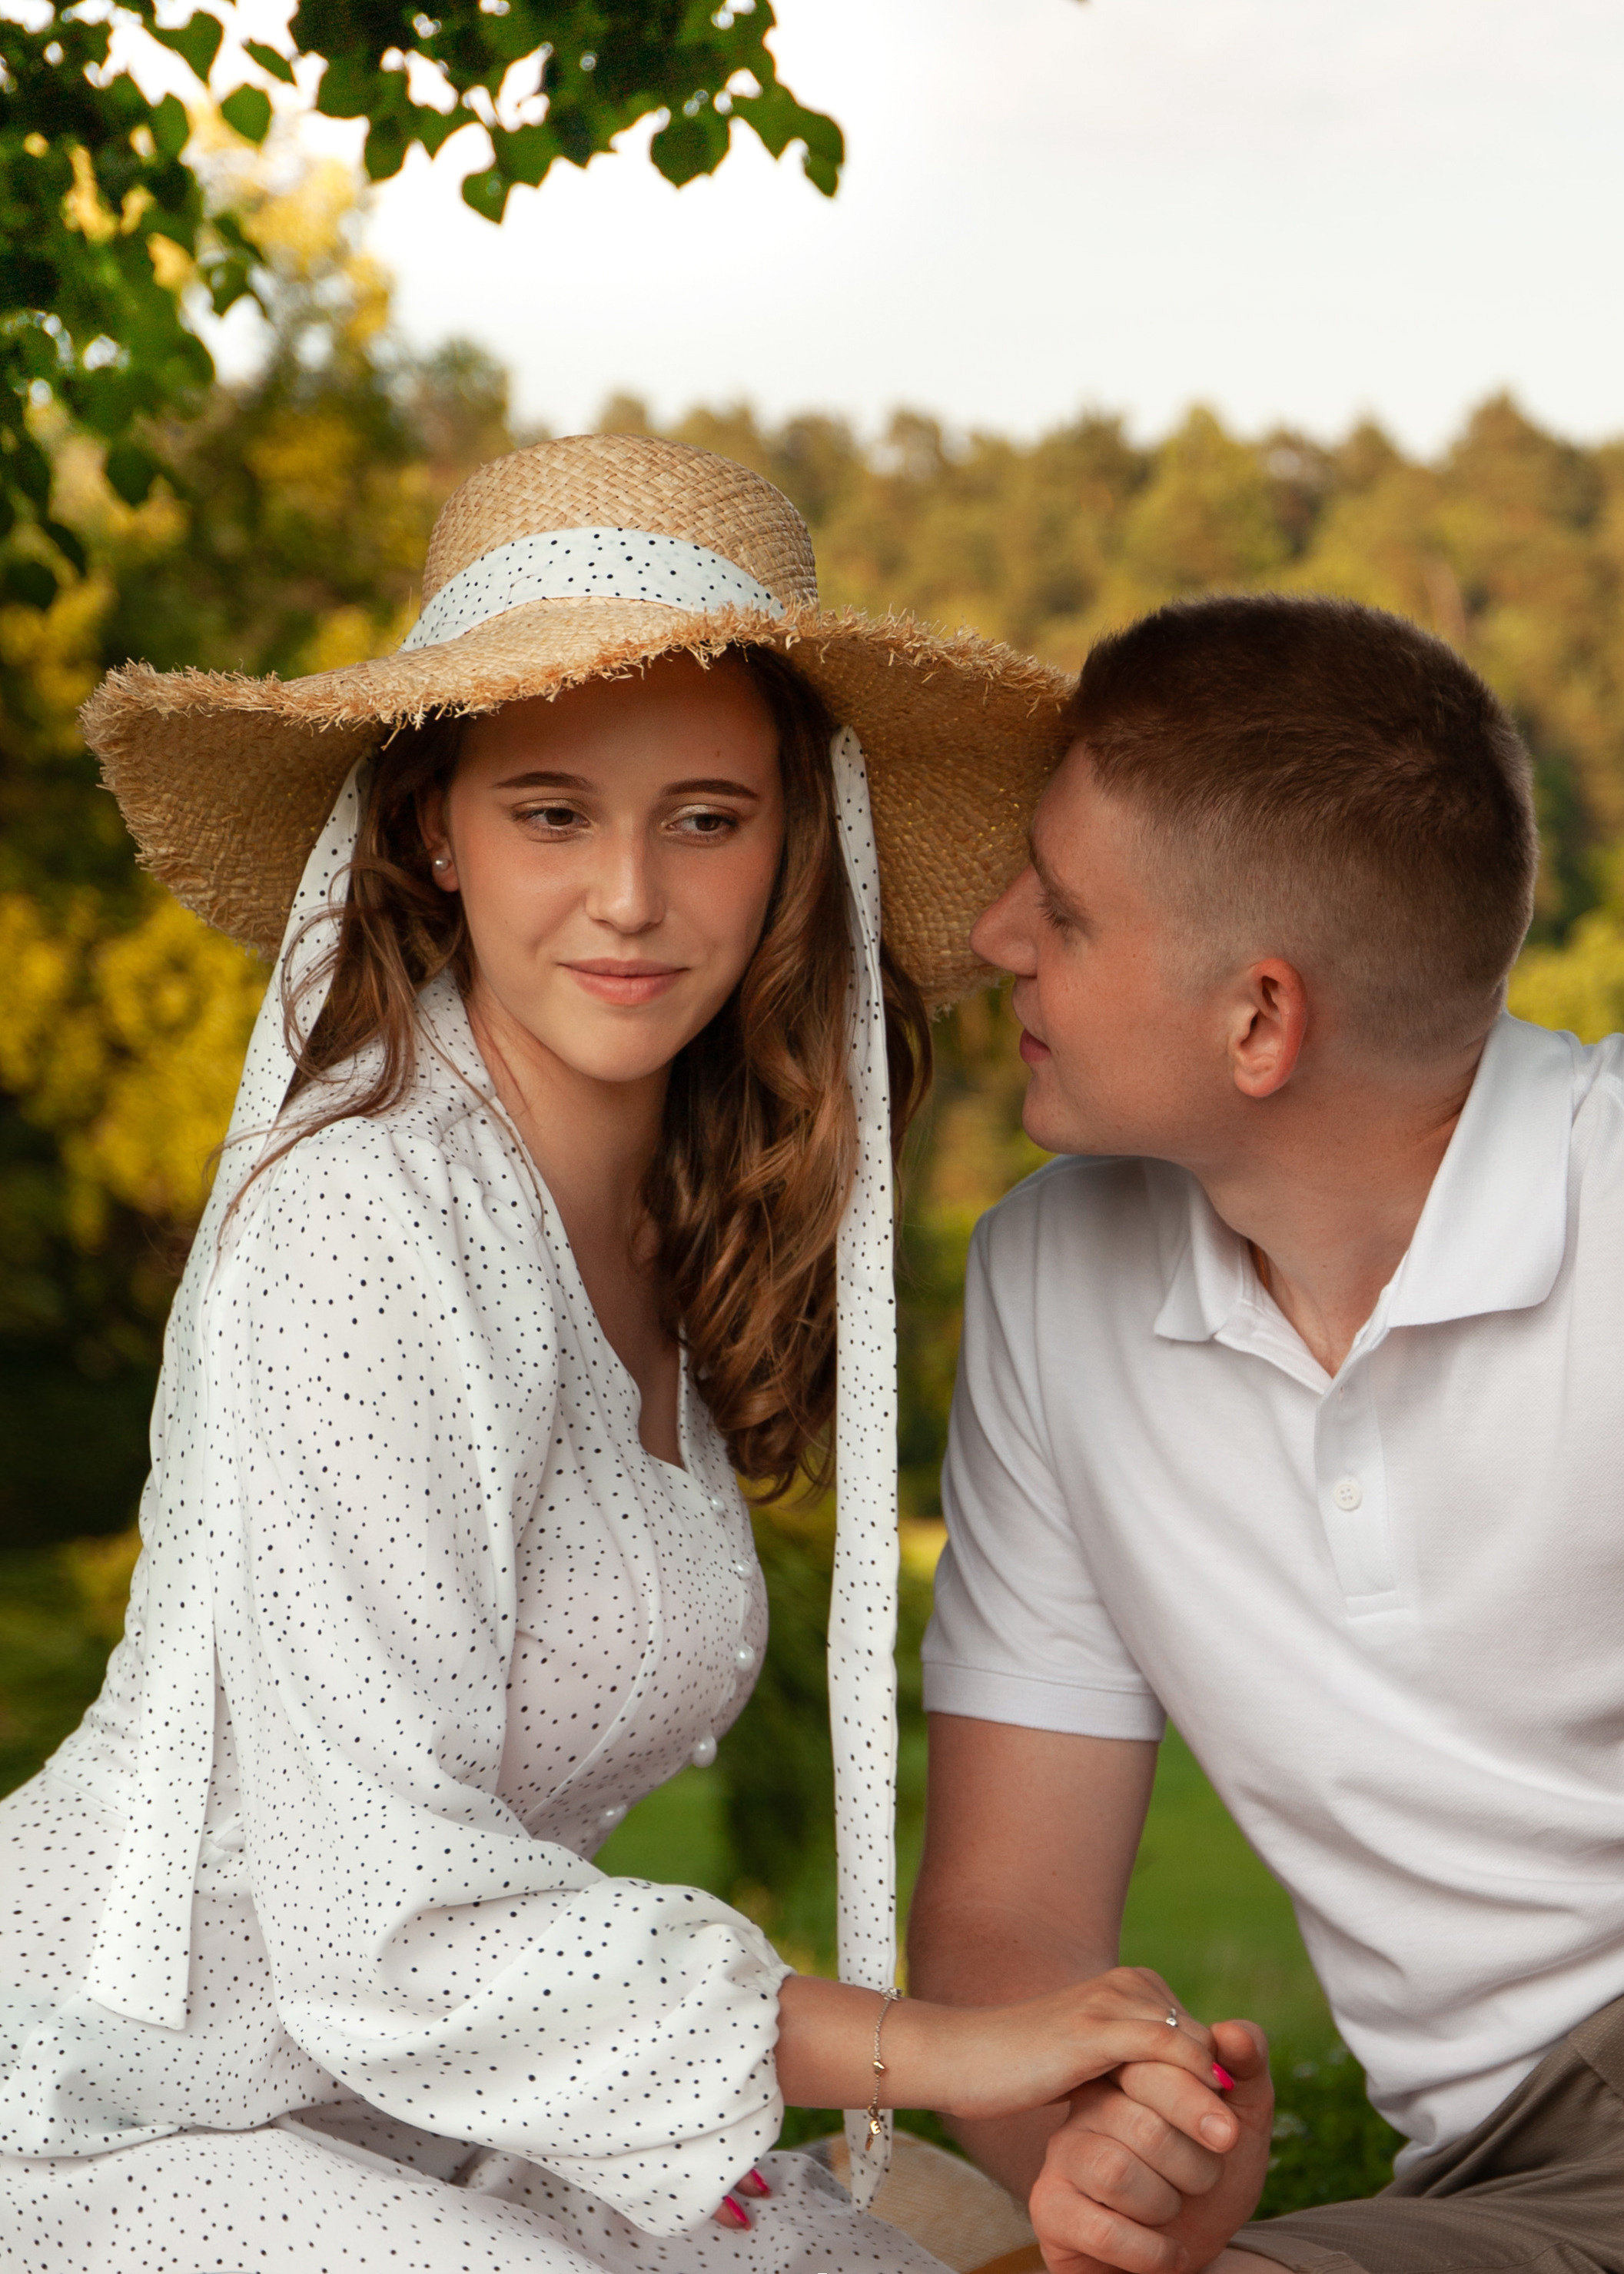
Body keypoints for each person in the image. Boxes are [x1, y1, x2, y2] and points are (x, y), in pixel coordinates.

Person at [0, 435, 1236, 2274]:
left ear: (794, 834)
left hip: (457, 2100)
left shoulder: (692, 1216)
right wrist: (927, 2042)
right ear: (436, 823)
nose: (635, 900)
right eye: (554, 811)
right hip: (116, 2097)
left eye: (707, 817)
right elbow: (392, 1914)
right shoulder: (367, 1221)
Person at [910, 592, 1624, 2274]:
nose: (998, 935)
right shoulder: (1049, 1282)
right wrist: (1097, 2153)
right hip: (1512, 2188)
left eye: (1067, 915)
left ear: (1259, 1022)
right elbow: (1007, 1916)